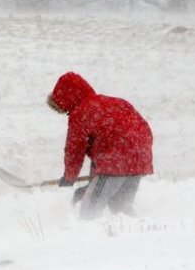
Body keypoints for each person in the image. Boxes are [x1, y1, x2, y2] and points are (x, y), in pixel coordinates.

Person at [47, 72, 154, 219]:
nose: (67, 112)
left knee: (89, 212)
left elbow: (74, 150)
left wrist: (69, 177)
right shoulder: (115, 102)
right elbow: (141, 130)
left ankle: (87, 239)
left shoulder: (81, 112)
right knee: (121, 210)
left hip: (115, 162)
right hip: (140, 158)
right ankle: (140, 234)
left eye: (64, 109)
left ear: (67, 98)